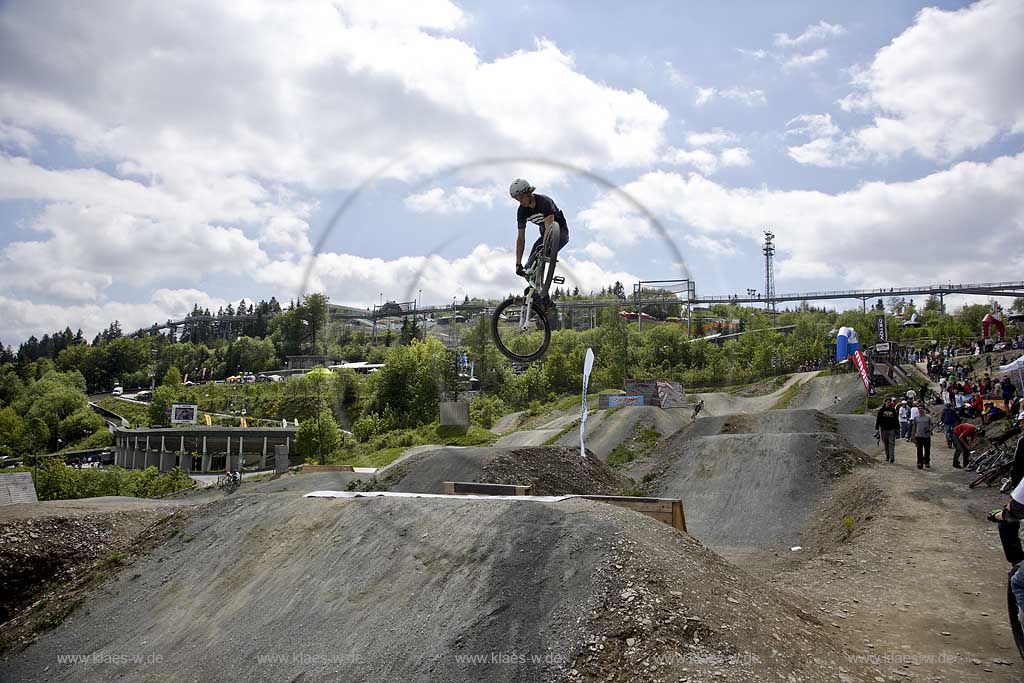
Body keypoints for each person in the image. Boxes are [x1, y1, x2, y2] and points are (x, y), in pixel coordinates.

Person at [510, 179, 570, 317]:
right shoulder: (522, 211)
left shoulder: (544, 202)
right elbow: (521, 239)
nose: (520, 201)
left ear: (528, 192)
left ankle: (540, 293)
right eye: (516, 199)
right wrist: (518, 264)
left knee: (539, 255)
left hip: (559, 233)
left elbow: (549, 226)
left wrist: (544, 246)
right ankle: (545, 299)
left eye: (521, 197)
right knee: (527, 268)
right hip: (544, 236)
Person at [875, 397, 900, 463]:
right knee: (886, 444)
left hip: (891, 429)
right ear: (885, 402)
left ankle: (892, 457)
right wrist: (877, 428)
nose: (888, 403)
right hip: (883, 430)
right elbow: (878, 420)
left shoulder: (893, 410)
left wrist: (897, 428)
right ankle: (887, 456)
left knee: (891, 444)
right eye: (887, 402)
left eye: (889, 402)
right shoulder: (881, 410)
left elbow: (896, 420)